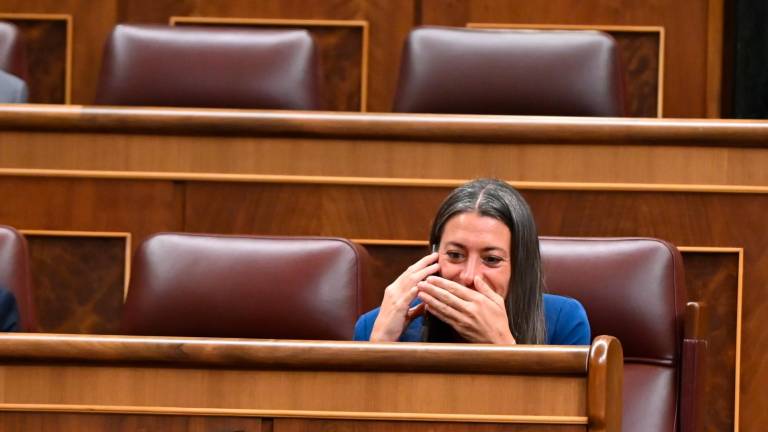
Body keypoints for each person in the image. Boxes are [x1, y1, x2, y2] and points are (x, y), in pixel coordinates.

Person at [354, 178, 589, 344]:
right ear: (433, 255)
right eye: (455, 255)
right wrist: (380, 345)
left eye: (491, 259)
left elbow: (555, 414)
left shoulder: (563, 322)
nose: (468, 276)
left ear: (519, 265)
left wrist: (502, 348)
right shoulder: (376, 325)